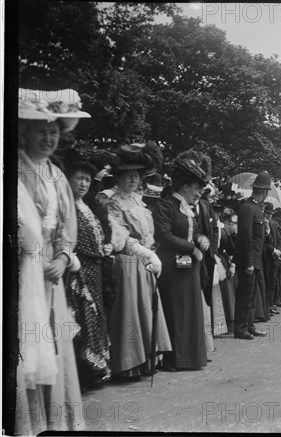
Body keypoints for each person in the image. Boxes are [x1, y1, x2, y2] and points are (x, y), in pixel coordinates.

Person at [16, 88, 88, 432]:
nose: (48, 138)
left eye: (54, 132)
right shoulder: (12, 170)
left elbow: (67, 226)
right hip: (19, 276)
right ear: (25, 132)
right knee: (24, 344)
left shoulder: (58, 176)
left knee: (55, 344)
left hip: (53, 275)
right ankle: (25, 422)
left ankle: (58, 421)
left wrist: (63, 257)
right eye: (41, 130)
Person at [106, 142, 172, 380]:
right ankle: (128, 363)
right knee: (130, 311)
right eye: (128, 175)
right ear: (119, 176)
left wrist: (150, 251)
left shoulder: (139, 201)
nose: (133, 180)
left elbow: (148, 233)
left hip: (145, 262)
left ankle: (148, 358)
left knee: (146, 308)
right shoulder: (110, 200)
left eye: (137, 175)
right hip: (126, 263)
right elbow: (118, 234)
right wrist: (144, 252)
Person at [152, 149, 211, 371]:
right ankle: (175, 359)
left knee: (191, 312)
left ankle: (191, 357)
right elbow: (165, 235)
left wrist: (200, 239)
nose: (199, 195)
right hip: (171, 268)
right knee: (175, 311)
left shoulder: (188, 210)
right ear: (185, 187)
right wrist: (192, 248)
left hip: (189, 268)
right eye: (197, 190)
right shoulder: (164, 206)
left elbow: (190, 232)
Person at [63, 148, 113, 389]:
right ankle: (82, 375)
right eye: (78, 178)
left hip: (95, 270)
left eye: (86, 179)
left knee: (95, 318)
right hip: (76, 272)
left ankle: (95, 371)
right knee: (81, 319)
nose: (82, 183)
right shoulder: (65, 205)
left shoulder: (87, 205)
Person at [233, 171, 271, 340]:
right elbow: (245, 238)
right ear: (264, 192)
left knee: (252, 295)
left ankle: (249, 325)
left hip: (256, 260)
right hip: (248, 260)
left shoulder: (256, 208)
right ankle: (240, 328)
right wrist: (248, 262)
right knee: (245, 295)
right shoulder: (248, 208)